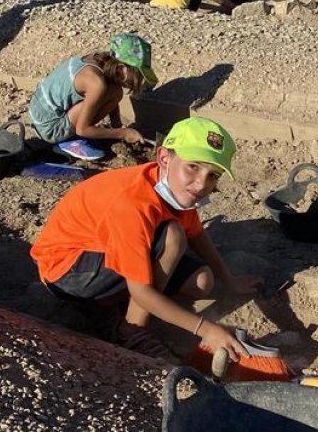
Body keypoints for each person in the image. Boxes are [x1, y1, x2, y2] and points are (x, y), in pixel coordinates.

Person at [30, 116, 261, 360]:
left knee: (202, 281)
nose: (201, 184)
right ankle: (131, 331)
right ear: (164, 158)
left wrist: (229, 278)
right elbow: (142, 291)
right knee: (173, 236)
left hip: (108, 254)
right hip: (68, 271)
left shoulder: (173, 188)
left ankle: (118, 307)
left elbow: (196, 232)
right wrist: (207, 329)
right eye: (193, 166)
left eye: (213, 176)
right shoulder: (132, 204)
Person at [27, 33, 158, 161]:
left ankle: (77, 134)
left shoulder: (98, 61)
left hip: (39, 113)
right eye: (137, 74)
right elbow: (82, 129)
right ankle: (68, 142)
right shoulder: (97, 84)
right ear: (122, 67)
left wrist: (118, 128)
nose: (138, 80)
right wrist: (123, 133)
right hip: (49, 128)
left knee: (114, 91)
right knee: (113, 92)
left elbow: (112, 94)